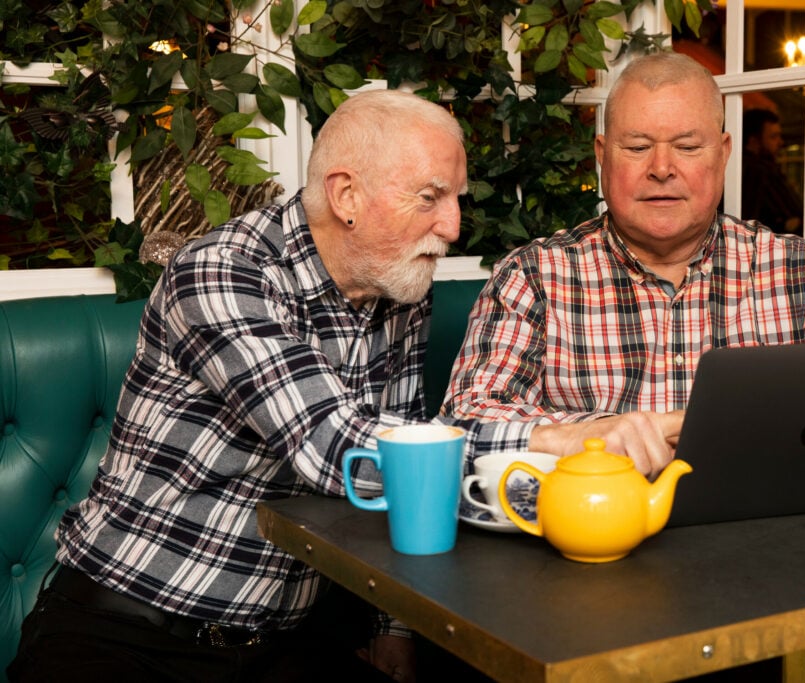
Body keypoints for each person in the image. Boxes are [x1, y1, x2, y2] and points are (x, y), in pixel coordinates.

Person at [7, 89, 538, 683]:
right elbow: (339, 448)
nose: (453, 226)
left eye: (455, 199)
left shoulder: (398, 288)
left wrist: (393, 631)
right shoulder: (223, 271)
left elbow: (404, 455)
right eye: (429, 197)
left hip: (284, 643)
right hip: (127, 629)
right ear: (347, 197)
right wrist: (556, 446)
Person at [442, 52, 805, 485]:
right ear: (602, 155)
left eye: (687, 146)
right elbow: (461, 426)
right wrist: (594, 436)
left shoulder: (794, 271)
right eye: (637, 147)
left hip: (766, 557)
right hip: (589, 558)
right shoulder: (535, 275)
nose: (662, 169)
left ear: (724, 153)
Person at [741, 107, 803, 234]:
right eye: (773, 137)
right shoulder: (757, 172)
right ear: (753, 141)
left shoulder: (765, 168)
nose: (780, 142)